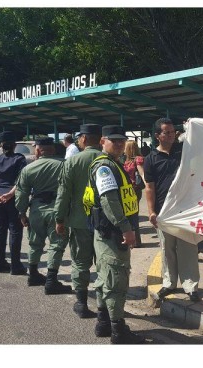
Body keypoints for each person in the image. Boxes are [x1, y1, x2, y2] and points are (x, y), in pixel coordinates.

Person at [85, 125, 144, 344]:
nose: (119, 144)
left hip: (107, 232)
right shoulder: (104, 167)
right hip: (113, 232)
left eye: (122, 140)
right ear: (102, 141)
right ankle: (118, 331)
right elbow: (109, 200)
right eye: (114, 140)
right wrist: (126, 228)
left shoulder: (113, 164)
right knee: (115, 280)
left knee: (104, 277)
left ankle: (103, 322)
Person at [144, 118, 201, 302]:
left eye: (172, 132)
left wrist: (191, 126)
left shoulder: (183, 152)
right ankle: (169, 283)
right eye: (166, 132)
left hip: (185, 210)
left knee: (188, 248)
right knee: (167, 250)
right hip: (164, 213)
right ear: (157, 136)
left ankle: (190, 286)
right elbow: (150, 187)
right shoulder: (151, 159)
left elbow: (200, 144)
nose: (170, 135)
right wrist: (151, 211)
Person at [54, 123, 102, 318]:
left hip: (79, 220)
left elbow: (63, 194)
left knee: (80, 262)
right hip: (104, 223)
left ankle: (81, 303)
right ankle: (104, 307)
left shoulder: (72, 162)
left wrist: (59, 218)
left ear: (83, 139)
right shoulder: (108, 160)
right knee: (103, 264)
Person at [15, 137, 72, 295]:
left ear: (38, 150)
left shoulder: (28, 168)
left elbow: (21, 193)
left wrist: (21, 213)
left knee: (35, 243)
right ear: (53, 149)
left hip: (36, 210)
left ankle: (32, 274)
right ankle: (51, 280)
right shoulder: (64, 165)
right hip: (57, 210)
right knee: (57, 244)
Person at [0, 131, 27, 275]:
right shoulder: (19, 159)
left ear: (1, 145)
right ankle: (15, 265)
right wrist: (10, 194)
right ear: (15, 145)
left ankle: (0, 263)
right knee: (15, 231)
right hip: (12, 199)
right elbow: (21, 180)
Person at [123, 140, 145, 247]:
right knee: (130, 214)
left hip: (135, 190)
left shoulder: (138, 160)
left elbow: (142, 173)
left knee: (133, 215)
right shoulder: (126, 160)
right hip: (128, 191)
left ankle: (136, 241)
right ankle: (134, 240)